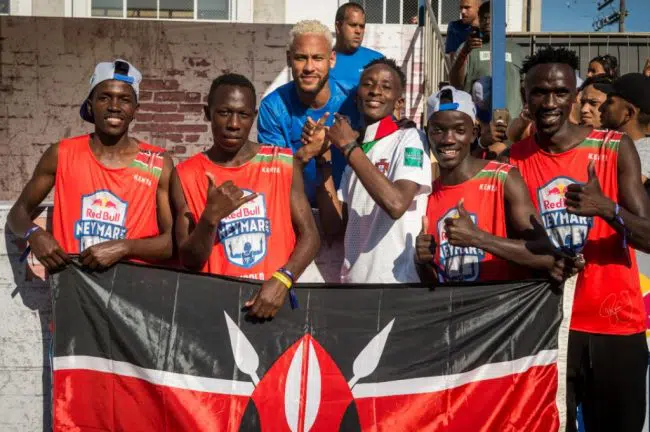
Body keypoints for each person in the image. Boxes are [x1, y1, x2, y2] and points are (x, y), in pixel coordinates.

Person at [509, 46, 650, 432]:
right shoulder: (511, 161)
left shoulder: (613, 147)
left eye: (560, 92)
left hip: (615, 327)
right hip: (546, 331)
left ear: (574, 95)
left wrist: (608, 208)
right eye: (539, 92)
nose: (549, 102)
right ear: (525, 97)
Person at [171, 73, 320, 319]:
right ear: (207, 113)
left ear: (254, 116)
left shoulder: (282, 163)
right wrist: (210, 218)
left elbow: (311, 236)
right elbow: (189, 260)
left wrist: (283, 279)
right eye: (224, 113)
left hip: (275, 304)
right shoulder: (185, 174)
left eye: (243, 114)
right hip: (215, 309)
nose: (234, 124)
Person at [7, 59, 174, 271]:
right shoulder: (61, 154)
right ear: (90, 105)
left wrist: (124, 247)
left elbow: (171, 243)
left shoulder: (156, 161)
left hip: (133, 288)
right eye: (104, 98)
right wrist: (35, 234)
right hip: (74, 283)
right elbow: (17, 213)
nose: (114, 107)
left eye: (124, 99)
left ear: (135, 109)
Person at [416, 86, 577, 283]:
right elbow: (435, 283)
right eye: (438, 130)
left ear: (474, 133)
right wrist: (422, 262)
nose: (448, 140)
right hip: (453, 304)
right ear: (427, 133)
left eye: (459, 130)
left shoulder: (503, 178)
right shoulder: (426, 195)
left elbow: (546, 256)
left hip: (502, 303)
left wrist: (477, 238)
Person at [308, 58, 432, 283]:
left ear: (399, 103)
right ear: (357, 98)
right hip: (355, 284)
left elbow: (396, 204)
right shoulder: (358, 151)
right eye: (368, 84)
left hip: (397, 283)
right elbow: (334, 226)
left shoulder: (411, 138)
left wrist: (348, 147)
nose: (375, 91)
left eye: (386, 86)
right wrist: (322, 159)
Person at [257, 20, 359, 205]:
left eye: (318, 58)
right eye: (301, 58)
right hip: (295, 209)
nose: (309, 67)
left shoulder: (353, 98)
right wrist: (309, 151)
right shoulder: (273, 107)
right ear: (289, 59)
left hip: (352, 211)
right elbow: (273, 175)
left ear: (332, 59)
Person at [449, 1, 524, 119]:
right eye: (484, 18)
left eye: (492, 18)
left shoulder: (517, 51)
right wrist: (464, 52)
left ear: (504, 23)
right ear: (479, 22)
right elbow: (455, 83)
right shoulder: (468, 47)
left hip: (513, 123)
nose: (488, 21)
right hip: (478, 124)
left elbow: (525, 87)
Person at [597, 73, 650, 184]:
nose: (600, 108)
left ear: (629, 113)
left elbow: (631, 186)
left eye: (610, 102)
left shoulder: (644, 152)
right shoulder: (607, 143)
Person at [330, 2, 384, 91]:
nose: (358, 31)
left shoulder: (378, 61)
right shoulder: (323, 61)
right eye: (353, 25)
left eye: (362, 26)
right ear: (338, 26)